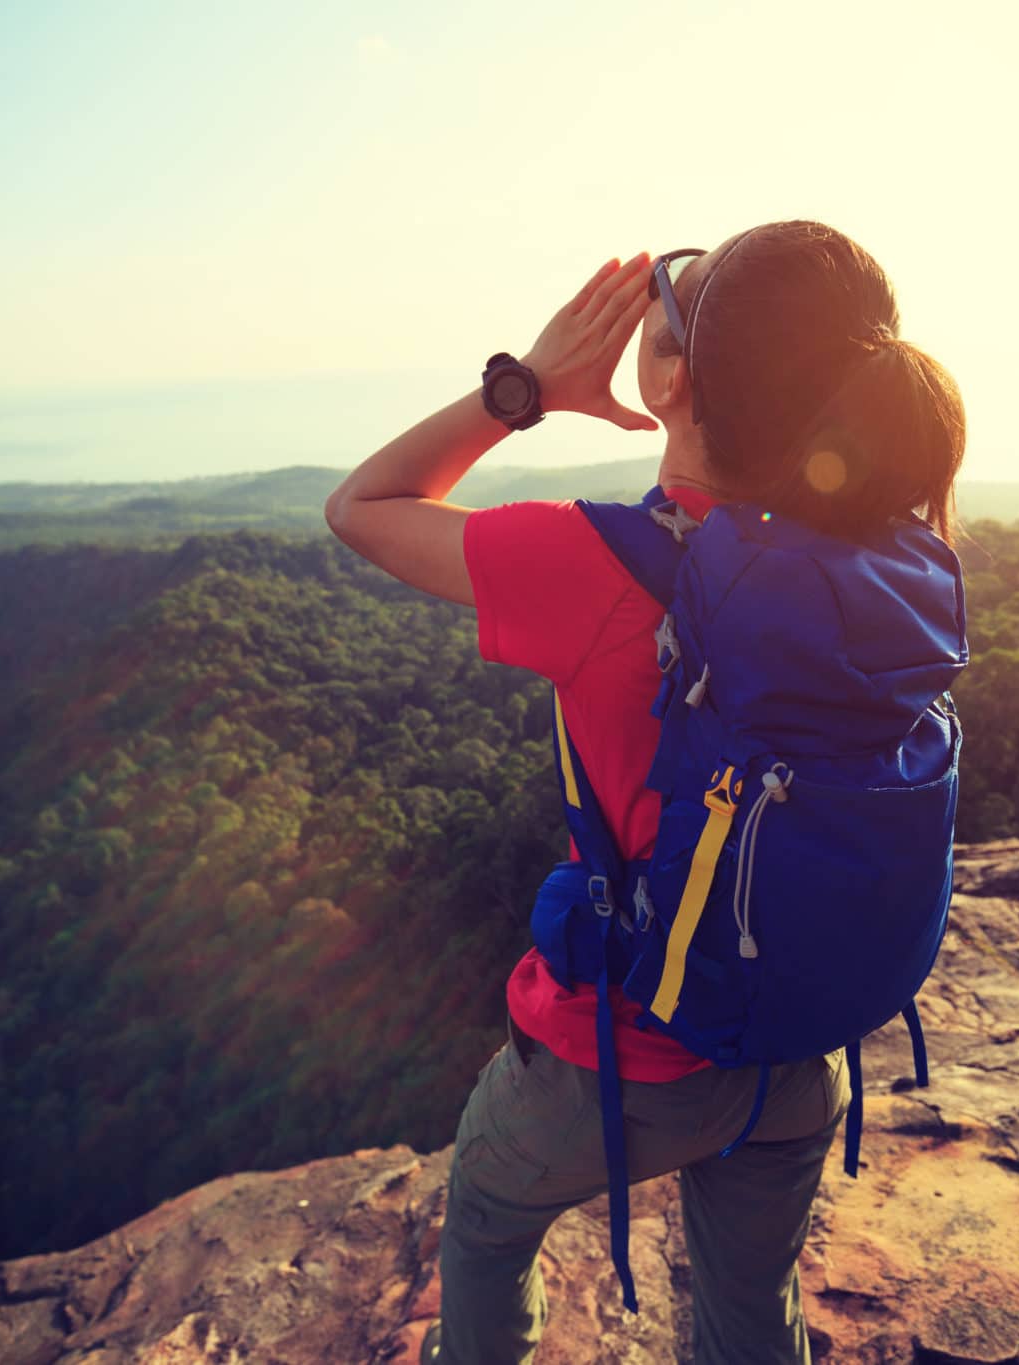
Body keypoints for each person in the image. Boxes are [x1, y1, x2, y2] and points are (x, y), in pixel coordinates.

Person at [324, 220, 967, 1365]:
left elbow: (361, 508)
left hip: (621, 1056)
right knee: (747, 1316)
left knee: (481, 1226)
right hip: (795, 1046)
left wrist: (521, 394)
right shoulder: (886, 559)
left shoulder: (592, 564)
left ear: (669, 379)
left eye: (669, 313)